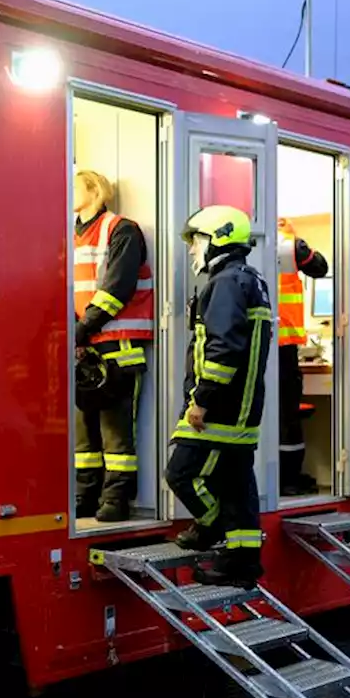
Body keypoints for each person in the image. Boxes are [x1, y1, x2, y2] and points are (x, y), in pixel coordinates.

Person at [166, 205, 272, 588]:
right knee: (236, 485)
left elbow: (223, 348)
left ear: (218, 238)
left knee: (180, 472)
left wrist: (202, 400)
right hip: (242, 408)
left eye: (197, 240)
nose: (193, 249)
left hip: (221, 410)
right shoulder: (250, 280)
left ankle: (208, 528)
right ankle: (242, 564)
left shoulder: (226, 282)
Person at [72, 170, 153, 523]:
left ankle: (116, 499)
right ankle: (85, 496)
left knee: (115, 431)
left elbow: (116, 288)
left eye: (73, 186)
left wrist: (81, 328)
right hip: (84, 346)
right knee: (83, 429)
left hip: (118, 345)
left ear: (94, 191)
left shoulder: (121, 229)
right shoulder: (67, 234)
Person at [277, 217, 329, 495]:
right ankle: (288, 478)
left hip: (254, 341)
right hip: (284, 344)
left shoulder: (245, 242)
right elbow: (321, 268)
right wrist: (300, 246)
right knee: (287, 413)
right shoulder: (288, 243)